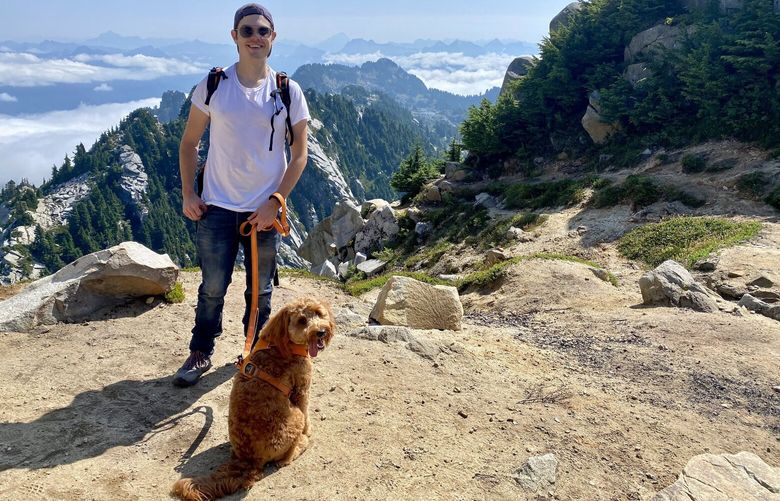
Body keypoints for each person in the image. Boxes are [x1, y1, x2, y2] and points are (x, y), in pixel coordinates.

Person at [173, 3, 310, 387]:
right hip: (216, 208)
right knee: (212, 287)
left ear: (273, 38)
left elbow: (300, 156)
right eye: (247, 31)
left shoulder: (287, 90)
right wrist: (188, 193)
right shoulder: (215, 85)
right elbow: (189, 144)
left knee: (260, 292)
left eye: (262, 31)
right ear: (234, 36)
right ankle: (201, 352)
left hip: (263, 213)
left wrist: (275, 202)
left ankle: (257, 353)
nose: (255, 37)